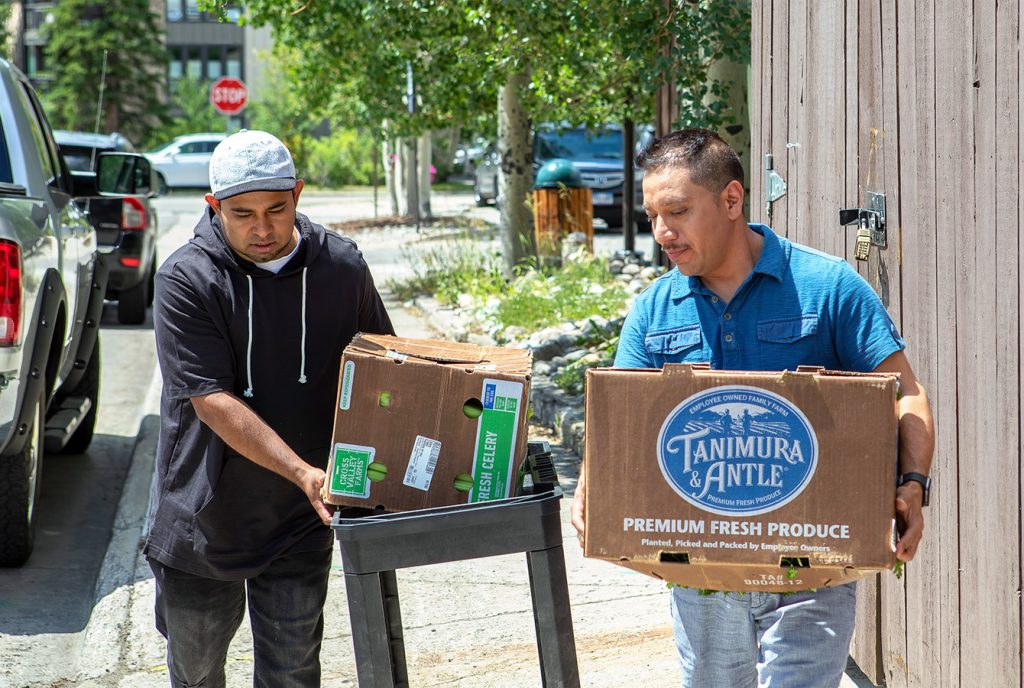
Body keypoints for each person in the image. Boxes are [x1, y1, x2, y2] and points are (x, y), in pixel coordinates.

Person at [570, 128, 934, 688]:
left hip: (813, 569)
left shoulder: (829, 288)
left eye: (678, 212)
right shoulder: (654, 311)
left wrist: (912, 483)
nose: (662, 232)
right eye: (652, 216)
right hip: (701, 577)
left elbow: (905, 391)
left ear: (732, 200)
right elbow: (617, 421)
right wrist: (590, 484)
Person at [145, 129, 394, 687]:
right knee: (197, 675)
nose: (262, 229)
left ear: (298, 196)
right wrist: (303, 471)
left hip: (301, 517)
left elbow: (385, 371)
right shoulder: (186, 279)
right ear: (214, 207)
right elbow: (211, 400)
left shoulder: (342, 268)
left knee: (293, 671)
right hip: (203, 518)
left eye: (276, 210)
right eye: (242, 214)